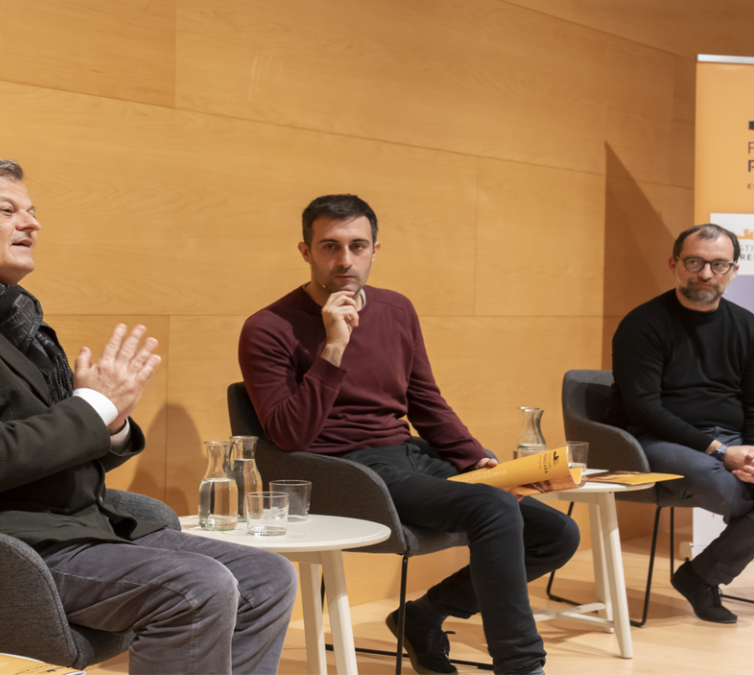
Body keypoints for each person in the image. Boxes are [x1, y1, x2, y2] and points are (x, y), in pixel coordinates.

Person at [0, 153, 296, 674]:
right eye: (8, 210)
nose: (31, 224)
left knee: (268, 576)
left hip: (55, 527)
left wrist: (110, 422)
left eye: (31, 211)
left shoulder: (3, 319)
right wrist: (93, 406)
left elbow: (45, 447)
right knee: (196, 588)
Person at [238, 194, 580, 675]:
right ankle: (522, 666)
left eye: (357, 246)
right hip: (344, 469)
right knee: (494, 508)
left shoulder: (397, 310)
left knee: (556, 533)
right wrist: (333, 347)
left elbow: (424, 399)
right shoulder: (268, 328)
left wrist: (471, 458)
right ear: (305, 251)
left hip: (407, 457)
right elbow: (290, 436)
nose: (345, 260)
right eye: (330, 247)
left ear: (376, 249)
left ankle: (422, 616)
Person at [607, 223, 754, 624]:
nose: (705, 274)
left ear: (734, 270)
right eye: (694, 262)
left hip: (734, 441)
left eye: (718, 264)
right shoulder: (642, 325)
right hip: (656, 440)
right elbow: (643, 409)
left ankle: (699, 575)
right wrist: (721, 453)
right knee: (724, 483)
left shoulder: (748, 327)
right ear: (674, 264)